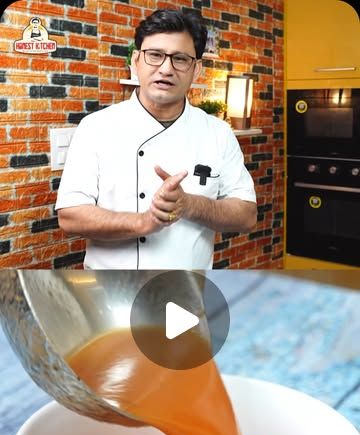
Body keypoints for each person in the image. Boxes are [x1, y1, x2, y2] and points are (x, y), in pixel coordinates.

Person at [56, 9, 257, 269]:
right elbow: (71, 216)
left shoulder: (218, 133)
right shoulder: (96, 127)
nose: (166, 68)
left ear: (196, 70)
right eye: (155, 55)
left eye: (180, 59)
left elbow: (246, 215)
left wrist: (189, 205)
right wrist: (145, 222)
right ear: (136, 61)